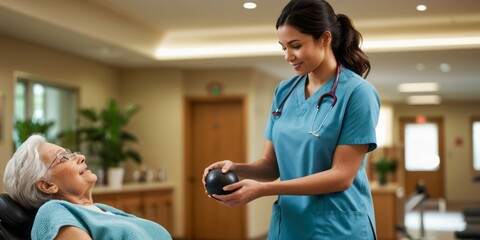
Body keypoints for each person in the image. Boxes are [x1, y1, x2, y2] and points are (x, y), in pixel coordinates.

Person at [202, 0, 380, 239]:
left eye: (295, 45)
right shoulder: (283, 92)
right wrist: (237, 169)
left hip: (338, 227)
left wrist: (264, 190)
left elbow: (342, 176)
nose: (288, 56)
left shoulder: (358, 93)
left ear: (325, 38)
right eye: (283, 47)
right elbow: (270, 166)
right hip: (290, 225)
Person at [3, 135, 172, 240]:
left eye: (71, 152)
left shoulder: (99, 210)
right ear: (47, 185)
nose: (81, 157)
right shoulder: (52, 213)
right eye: (63, 157)